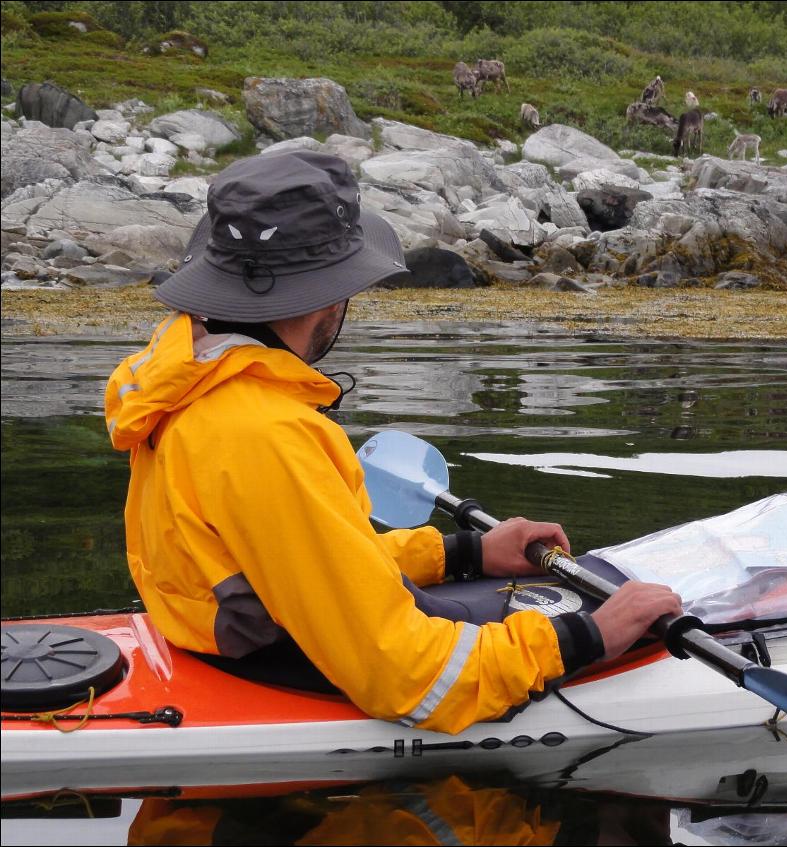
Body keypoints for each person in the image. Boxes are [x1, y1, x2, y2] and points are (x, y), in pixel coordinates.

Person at [104, 151, 681, 733]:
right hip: (282, 663)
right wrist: (590, 636)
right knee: (581, 608)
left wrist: (464, 553)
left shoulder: (182, 381)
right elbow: (405, 675)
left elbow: (294, 567)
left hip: (221, 639)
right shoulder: (263, 434)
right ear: (328, 300)